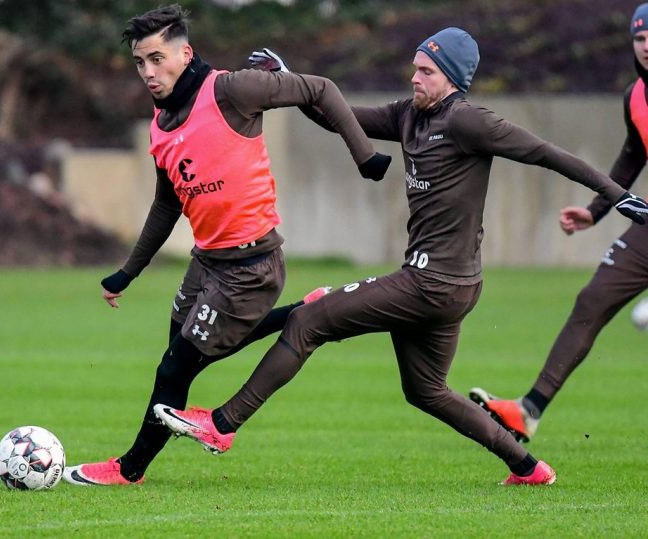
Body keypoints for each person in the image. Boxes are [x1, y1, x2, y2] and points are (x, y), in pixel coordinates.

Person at [155, 27, 648, 486]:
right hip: (446, 286)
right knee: (426, 390)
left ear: (453, 78)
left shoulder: (469, 120)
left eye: (426, 71)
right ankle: (528, 467)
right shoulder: (408, 114)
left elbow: (546, 152)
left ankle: (222, 423)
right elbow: (336, 116)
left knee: (308, 319)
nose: (415, 77)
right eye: (414, 68)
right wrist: (287, 78)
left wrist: (612, 196)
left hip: (434, 283)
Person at [62, 4, 391, 486]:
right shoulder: (160, 124)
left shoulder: (232, 89)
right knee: (183, 354)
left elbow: (321, 88)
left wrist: (364, 154)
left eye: (157, 59)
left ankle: (129, 469)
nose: (148, 72)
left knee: (174, 368)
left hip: (251, 266)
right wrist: (127, 273)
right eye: (140, 62)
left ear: (184, 52)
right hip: (206, 264)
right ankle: (302, 312)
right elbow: (165, 206)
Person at [468, 3, 648, 443]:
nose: (647, 47)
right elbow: (632, 156)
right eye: (641, 39)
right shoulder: (636, 97)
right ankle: (529, 410)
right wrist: (596, 209)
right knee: (592, 301)